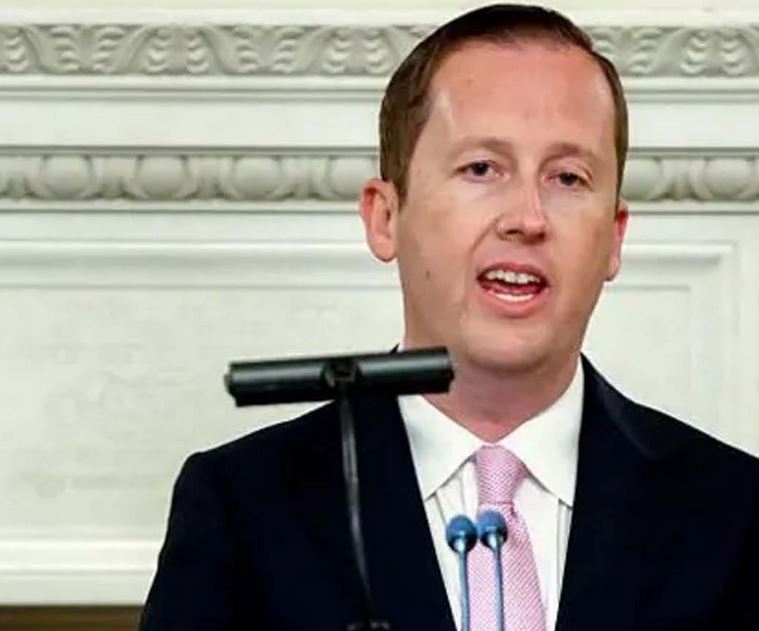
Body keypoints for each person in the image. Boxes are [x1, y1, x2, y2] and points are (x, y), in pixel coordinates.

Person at [140, 5, 759, 630]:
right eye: (481, 169)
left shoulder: (736, 511)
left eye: (568, 178)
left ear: (615, 236)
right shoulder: (246, 506)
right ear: (385, 217)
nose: (527, 218)